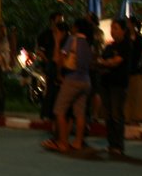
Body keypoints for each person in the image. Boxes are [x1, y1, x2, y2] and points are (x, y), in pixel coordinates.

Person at [41, 17, 94, 152]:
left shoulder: (73, 39)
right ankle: (77, 142)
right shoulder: (89, 43)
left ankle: (62, 142)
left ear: (77, 28)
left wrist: (59, 74)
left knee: (59, 110)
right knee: (80, 113)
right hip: (86, 81)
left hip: (72, 79)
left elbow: (61, 58)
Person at [97, 17, 132, 157]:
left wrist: (106, 62)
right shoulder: (110, 46)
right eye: (112, 28)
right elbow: (101, 60)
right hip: (106, 83)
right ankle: (111, 144)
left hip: (118, 84)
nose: (112, 31)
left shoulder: (126, 45)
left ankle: (118, 145)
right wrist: (105, 62)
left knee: (117, 115)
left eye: (115, 28)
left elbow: (114, 62)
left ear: (123, 30)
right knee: (108, 115)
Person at [36, 12, 64, 122]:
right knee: (51, 88)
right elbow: (40, 51)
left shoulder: (63, 34)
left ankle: (52, 112)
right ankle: (47, 112)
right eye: (59, 20)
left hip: (60, 64)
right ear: (52, 21)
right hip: (49, 65)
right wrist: (47, 61)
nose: (61, 22)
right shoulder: (45, 35)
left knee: (57, 89)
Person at [124, 15, 142, 124]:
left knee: (136, 95)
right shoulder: (126, 37)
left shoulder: (139, 39)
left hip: (136, 71)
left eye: (128, 23)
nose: (127, 25)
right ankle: (127, 116)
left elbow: (141, 55)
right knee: (128, 95)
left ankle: (136, 117)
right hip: (128, 70)